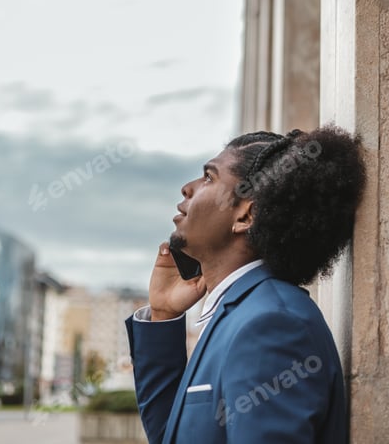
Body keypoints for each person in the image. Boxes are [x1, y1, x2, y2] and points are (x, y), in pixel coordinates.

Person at [125, 125, 366, 444]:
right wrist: (163, 314)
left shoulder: (273, 325)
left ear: (245, 216)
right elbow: (171, 434)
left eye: (209, 177)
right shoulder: (241, 315)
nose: (187, 188)